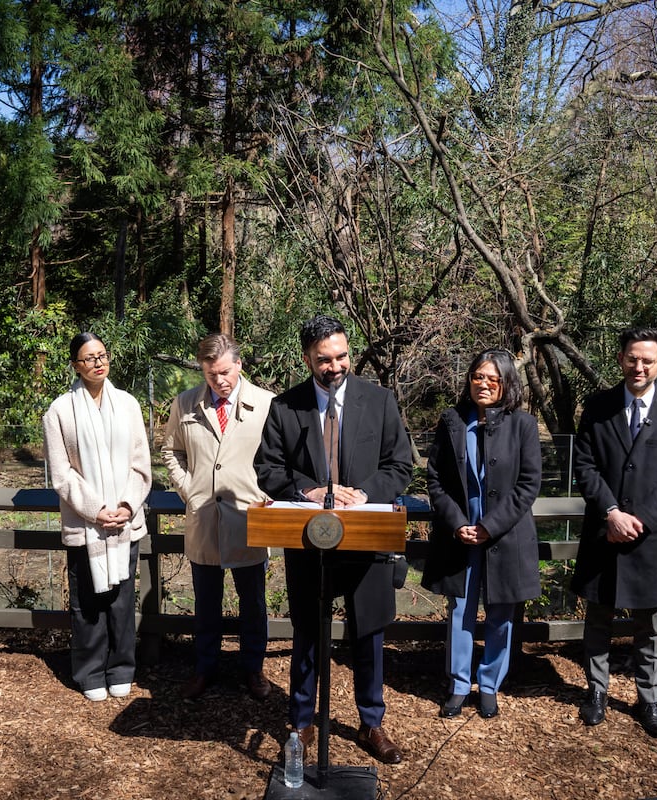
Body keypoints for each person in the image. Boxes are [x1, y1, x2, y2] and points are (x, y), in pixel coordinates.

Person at [256, 314, 413, 765]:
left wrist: (365, 494)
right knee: (308, 633)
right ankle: (302, 722)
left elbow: (400, 465)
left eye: (342, 356)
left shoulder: (380, 401)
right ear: (308, 358)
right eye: (324, 359)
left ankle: (371, 721)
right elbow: (267, 469)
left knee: (368, 635)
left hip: (366, 538)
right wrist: (308, 490)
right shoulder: (286, 407)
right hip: (309, 540)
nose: (335, 366)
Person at [571, 327, 657, 738]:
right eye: (631, 358)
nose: (638, 366)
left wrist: (637, 520)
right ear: (621, 359)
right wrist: (611, 513)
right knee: (598, 618)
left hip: (650, 536)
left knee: (650, 624)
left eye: (647, 360)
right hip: (602, 532)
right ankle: (595, 693)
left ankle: (649, 699)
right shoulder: (597, 406)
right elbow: (585, 466)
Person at [422, 349, 542, 720]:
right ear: (469, 380)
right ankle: (459, 684)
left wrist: (490, 526)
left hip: (503, 536)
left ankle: (489, 684)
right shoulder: (452, 421)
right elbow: (435, 479)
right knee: (459, 610)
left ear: (507, 384)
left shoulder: (523, 425)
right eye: (478, 376)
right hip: (460, 537)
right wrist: (459, 523)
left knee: (501, 612)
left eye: (493, 378)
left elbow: (529, 484)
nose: (484, 384)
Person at [161, 333, 275, 702]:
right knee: (205, 601)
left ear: (239, 365)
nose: (220, 381)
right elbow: (171, 451)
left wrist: (267, 494)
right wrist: (188, 488)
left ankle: (253, 668)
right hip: (204, 517)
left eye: (225, 372)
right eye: (211, 375)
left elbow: (279, 459)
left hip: (249, 516)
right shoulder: (185, 403)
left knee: (253, 601)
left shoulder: (267, 403)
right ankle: (204, 668)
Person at [43, 332, 152, 701]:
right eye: (89, 358)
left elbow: (141, 465)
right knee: (87, 601)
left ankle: (122, 668)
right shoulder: (59, 411)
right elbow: (61, 474)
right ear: (76, 365)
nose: (98, 363)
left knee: (122, 599)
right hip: (86, 522)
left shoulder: (128, 405)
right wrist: (95, 510)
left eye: (102, 355)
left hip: (124, 518)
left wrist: (125, 506)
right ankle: (90, 672)